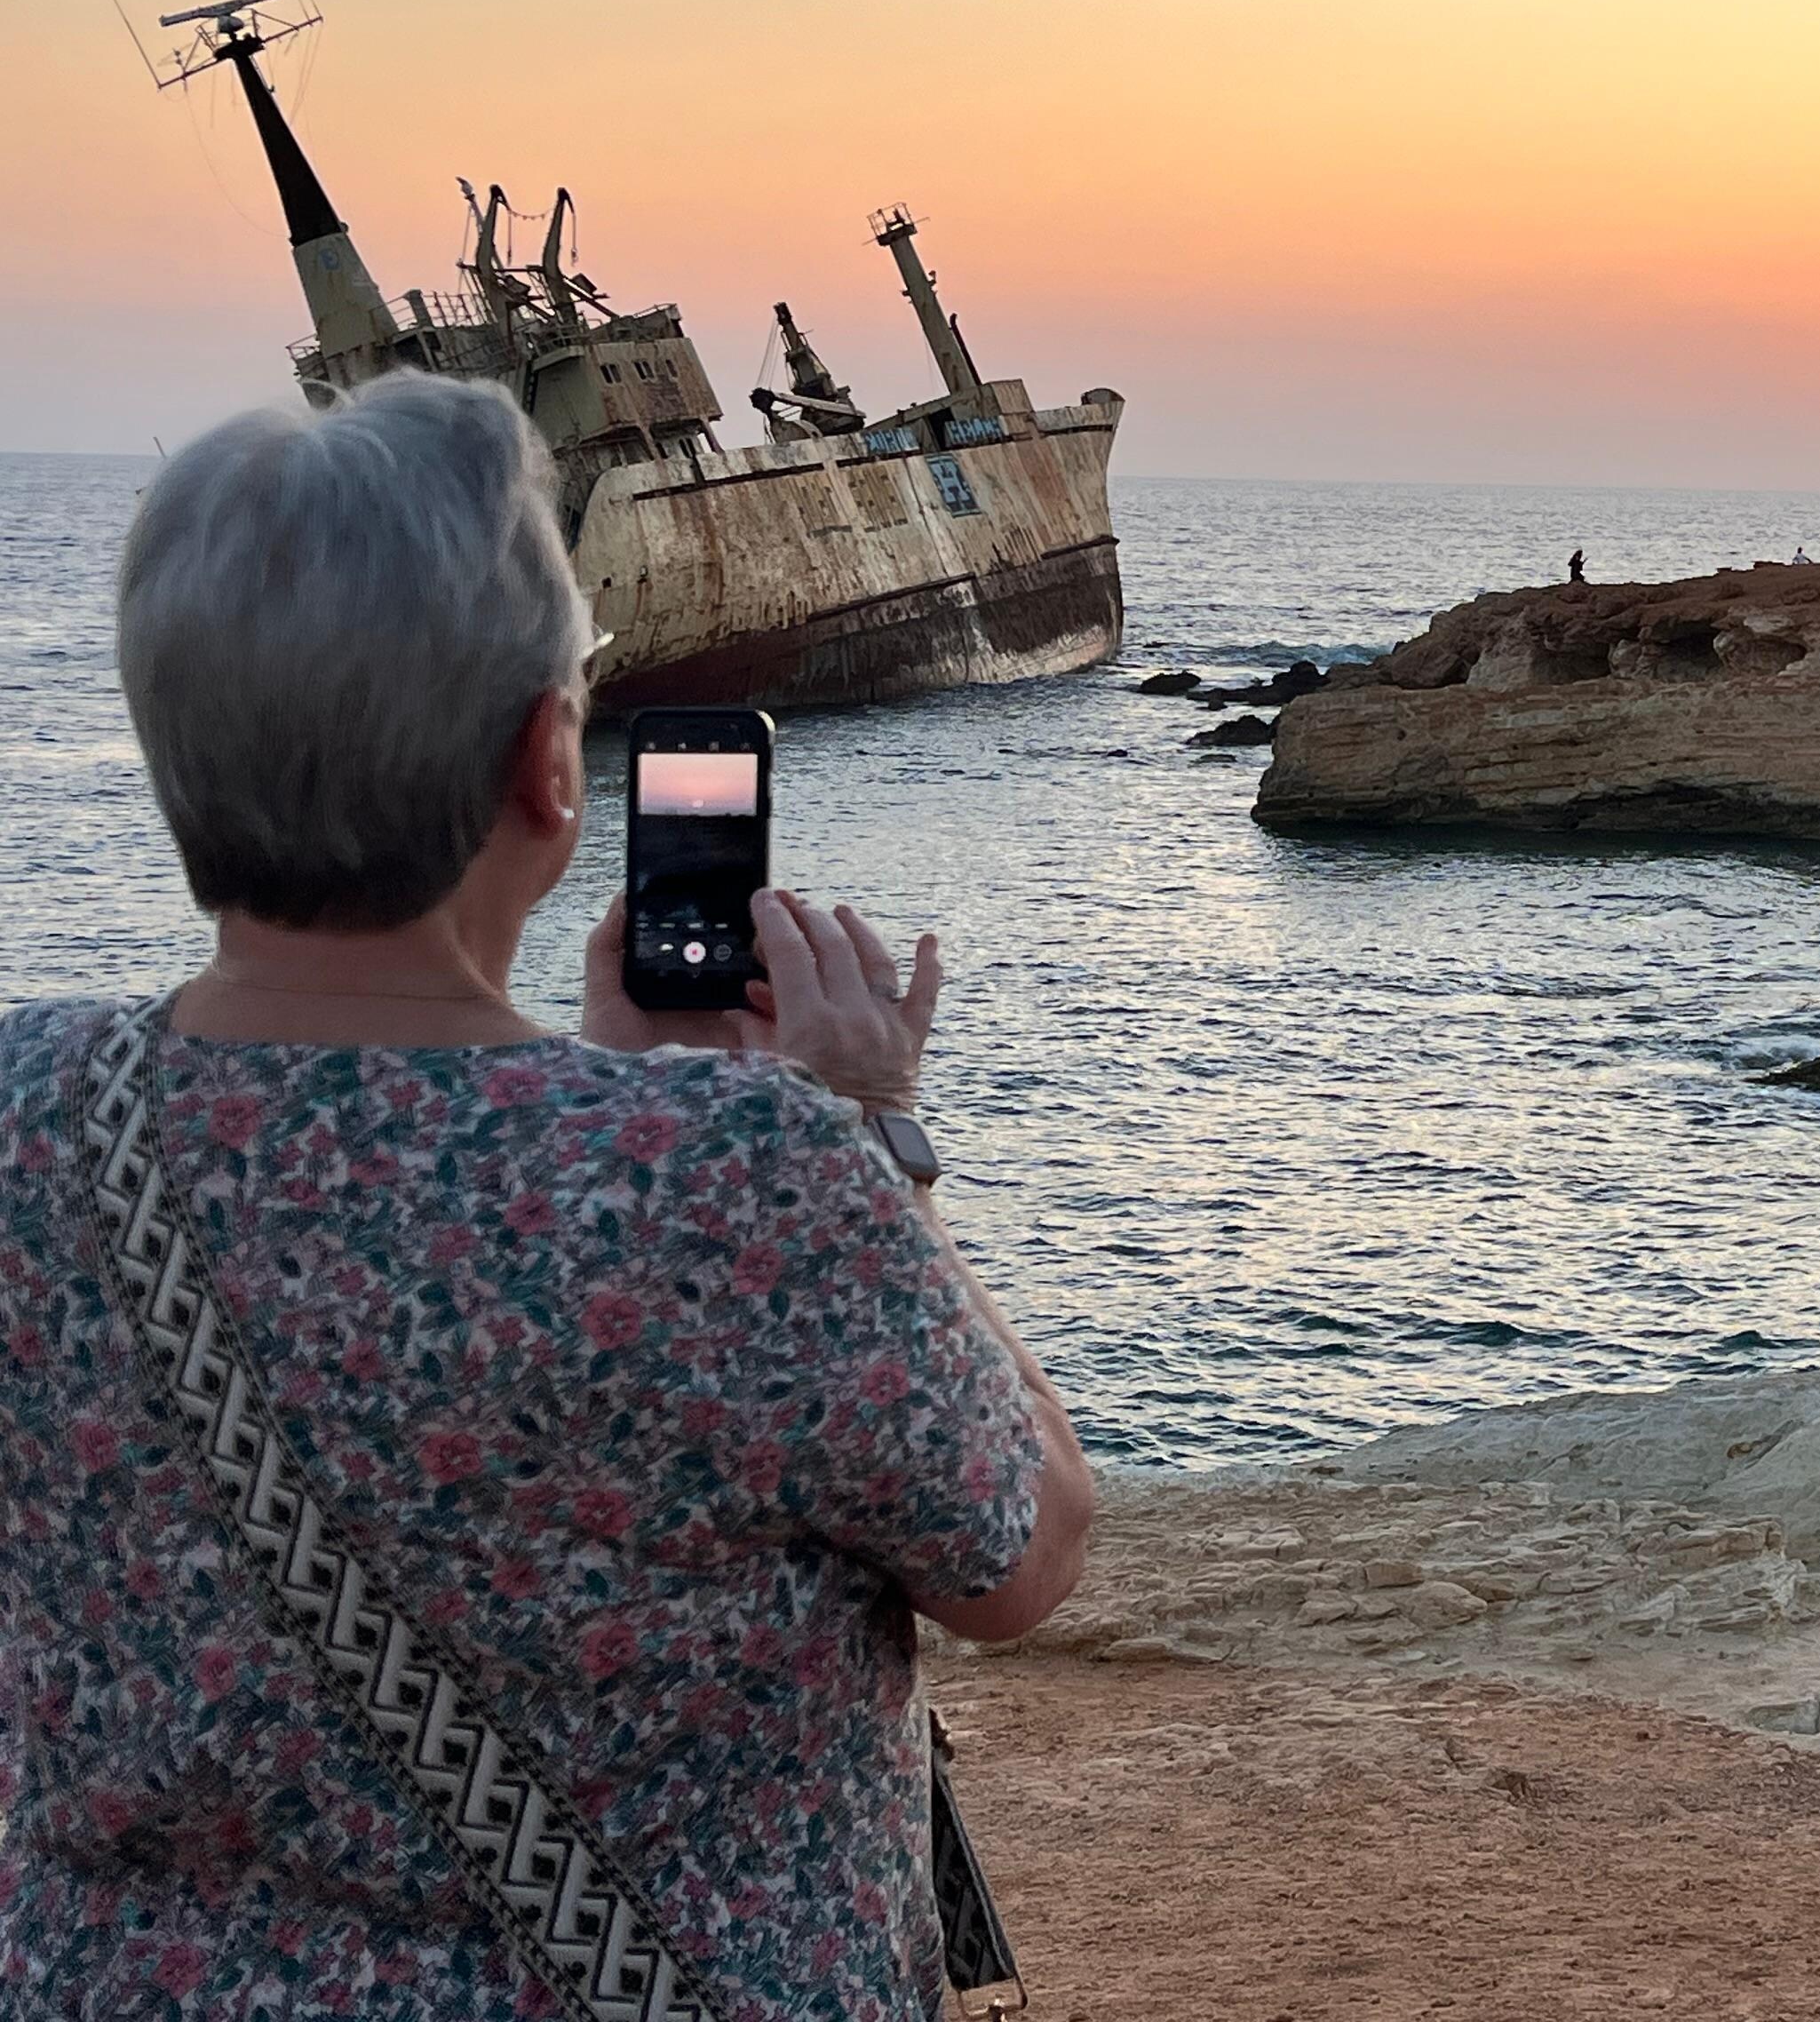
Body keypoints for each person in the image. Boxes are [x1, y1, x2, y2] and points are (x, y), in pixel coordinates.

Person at [0, 372, 1095, 2018]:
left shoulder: (28, 1119)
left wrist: (604, 1093)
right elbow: (1022, 1552)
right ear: (547, 758)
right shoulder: (740, 1175)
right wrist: (870, 1127)